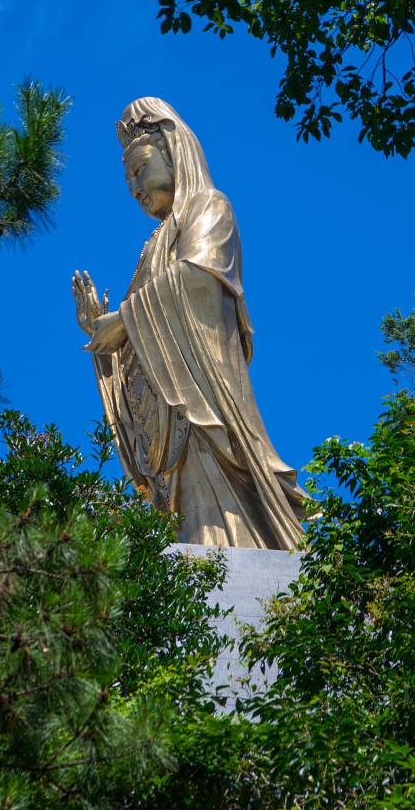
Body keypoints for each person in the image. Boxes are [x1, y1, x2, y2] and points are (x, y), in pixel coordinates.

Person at [72, 97, 306, 549]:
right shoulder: (153, 246)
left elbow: (198, 279)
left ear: (171, 150)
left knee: (217, 538)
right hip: (166, 424)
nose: (134, 189)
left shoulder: (210, 207)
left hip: (202, 407)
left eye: (139, 169)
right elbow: (144, 330)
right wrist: (104, 335)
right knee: (181, 533)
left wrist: (125, 319)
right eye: (127, 182)